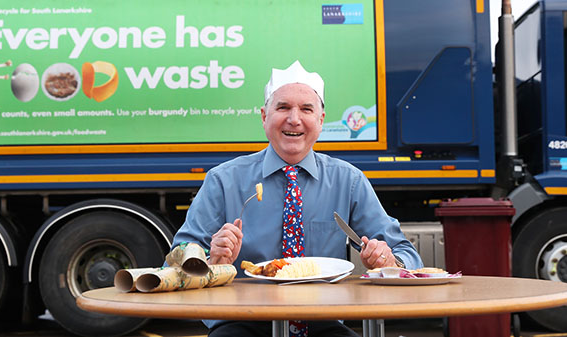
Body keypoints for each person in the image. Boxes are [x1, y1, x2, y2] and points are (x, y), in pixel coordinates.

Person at [172, 60, 422, 337]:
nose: (294, 119)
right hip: (241, 319)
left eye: (306, 109)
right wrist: (209, 258)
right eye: (283, 108)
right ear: (264, 116)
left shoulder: (348, 181)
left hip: (322, 321)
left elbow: (408, 256)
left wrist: (388, 263)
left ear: (321, 120)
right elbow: (177, 258)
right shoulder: (223, 180)